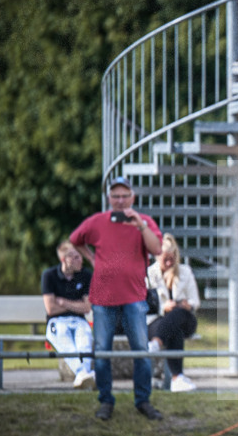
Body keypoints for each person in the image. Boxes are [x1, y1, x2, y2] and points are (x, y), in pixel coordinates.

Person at [70, 176, 164, 421]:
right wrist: (91, 258)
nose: (120, 201)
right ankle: (105, 401)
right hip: (102, 299)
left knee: (141, 351)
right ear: (109, 198)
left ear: (133, 197)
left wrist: (141, 226)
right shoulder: (97, 222)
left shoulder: (145, 222)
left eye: (124, 196)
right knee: (102, 352)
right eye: (115, 196)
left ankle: (143, 401)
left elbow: (156, 249)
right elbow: (75, 239)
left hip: (135, 297)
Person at [147, 233, 201, 392]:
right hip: (156, 320)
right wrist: (163, 307)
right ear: (158, 257)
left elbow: (195, 301)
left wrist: (186, 305)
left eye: (172, 259)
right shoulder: (149, 274)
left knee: (177, 313)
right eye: (166, 259)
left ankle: (156, 343)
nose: (169, 263)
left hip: (185, 319)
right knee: (174, 329)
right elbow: (145, 304)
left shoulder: (185, 271)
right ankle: (177, 378)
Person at [41, 240, 95, 389]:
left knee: (85, 339)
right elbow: (51, 309)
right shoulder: (49, 275)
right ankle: (84, 373)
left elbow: (87, 307)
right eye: (76, 257)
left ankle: (82, 375)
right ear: (64, 259)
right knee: (63, 337)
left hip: (79, 321)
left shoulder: (85, 275)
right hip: (56, 322)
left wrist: (64, 302)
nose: (80, 260)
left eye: (80, 256)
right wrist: (76, 305)